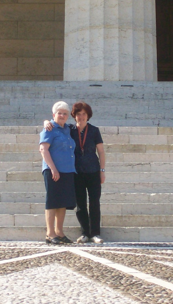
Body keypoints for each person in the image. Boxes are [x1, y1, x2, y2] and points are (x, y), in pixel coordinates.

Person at [44, 102, 106, 244]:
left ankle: (95, 233)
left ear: (88, 116)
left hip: (93, 170)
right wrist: (46, 121)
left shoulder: (94, 131)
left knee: (95, 202)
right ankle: (85, 232)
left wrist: (102, 170)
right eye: (78, 114)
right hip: (76, 172)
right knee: (80, 204)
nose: (81, 117)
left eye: (84, 114)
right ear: (74, 116)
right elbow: (54, 125)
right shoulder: (69, 130)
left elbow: (101, 152)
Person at [39, 101, 76, 244]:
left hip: (67, 170)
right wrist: (53, 168)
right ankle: (50, 233)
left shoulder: (67, 129)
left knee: (63, 202)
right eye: (59, 113)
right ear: (54, 114)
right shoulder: (49, 129)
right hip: (53, 170)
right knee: (53, 201)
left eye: (65, 113)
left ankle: (59, 232)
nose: (62, 115)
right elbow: (43, 149)